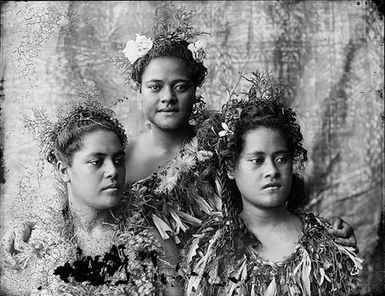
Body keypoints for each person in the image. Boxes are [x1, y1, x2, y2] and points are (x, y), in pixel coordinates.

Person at [2, 2, 356, 275]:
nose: (168, 97)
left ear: (195, 91)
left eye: (180, 86)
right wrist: (30, 226)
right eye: (155, 87)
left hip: (231, 265)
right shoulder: (119, 156)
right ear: (139, 92)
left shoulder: (223, 137)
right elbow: (78, 205)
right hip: (159, 274)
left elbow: (272, 187)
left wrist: (322, 228)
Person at [181, 71, 363, 295]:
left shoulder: (327, 241)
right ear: (231, 167)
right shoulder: (210, 248)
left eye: (281, 159)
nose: (272, 171)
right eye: (257, 160)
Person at [0, 101, 170, 295]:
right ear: (64, 170)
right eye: (96, 162)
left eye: (118, 160)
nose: (113, 171)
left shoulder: (153, 243)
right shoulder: (31, 244)